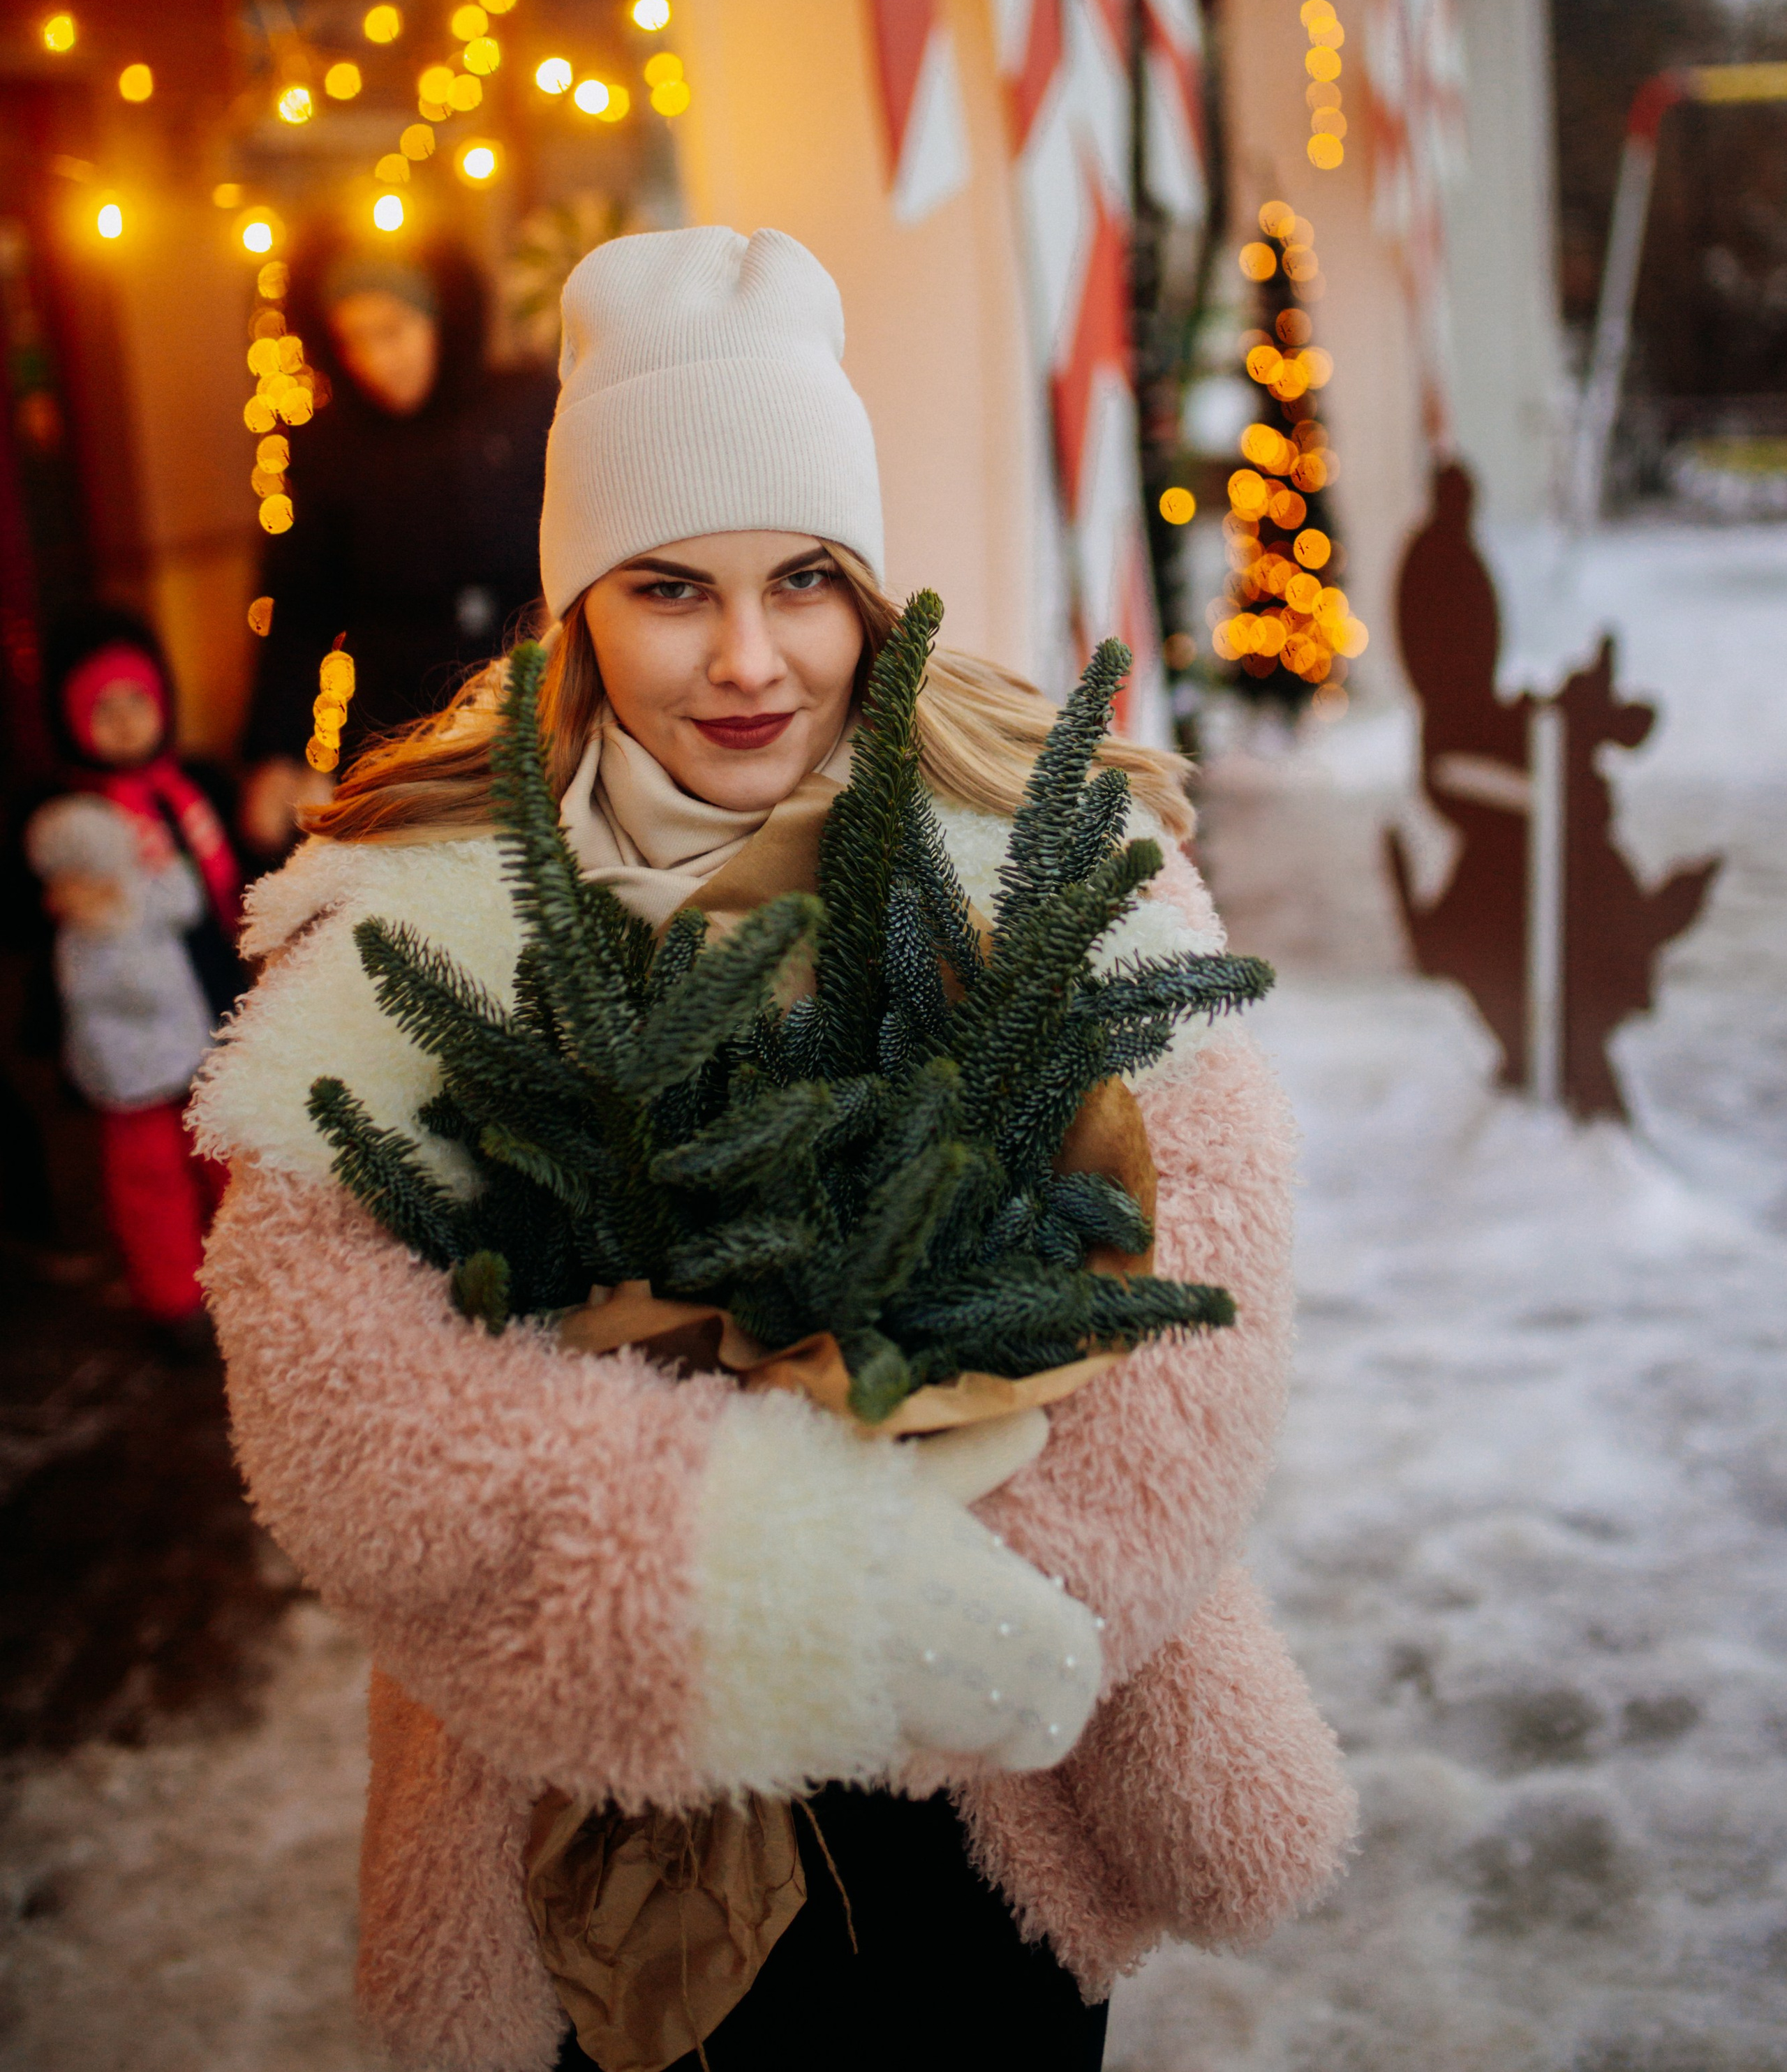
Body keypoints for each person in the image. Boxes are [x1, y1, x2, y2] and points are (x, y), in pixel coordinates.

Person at [195, 227, 1354, 2072]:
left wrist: (1032, 1593)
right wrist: (793, 1588)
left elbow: (1209, 1282)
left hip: (1002, 1791)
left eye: (805, 578)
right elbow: (339, 1394)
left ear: (867, 591)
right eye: (670, 586)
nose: (751, 658)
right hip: (609, 1826)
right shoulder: (414, 930)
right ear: (578, 598)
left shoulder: (1023, 851)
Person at [239, 229, 555, 856]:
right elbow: (298, 609)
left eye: (392, 331)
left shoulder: (525, 408)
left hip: (530, 705)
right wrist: (274, 749)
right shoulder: (332, 448)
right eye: (353, 339)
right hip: (397, 727)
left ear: (441, 319)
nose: (375, 361)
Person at [25, 608, 244, 1352]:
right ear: (69, 718)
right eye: (101, 708)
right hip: (124, 1019)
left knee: (226, 1145)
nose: (123, 722)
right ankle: (173, 1293)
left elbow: (236, 873)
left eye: (137, 701)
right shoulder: (56, 817)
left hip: (211, 993)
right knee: (146, 1161)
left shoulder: (198, 787)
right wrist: (57, 901)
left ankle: (245, 1267)